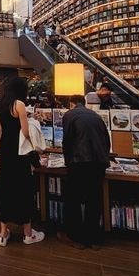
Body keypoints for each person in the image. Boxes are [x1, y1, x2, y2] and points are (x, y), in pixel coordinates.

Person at [0, 77, 44, 247]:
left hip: (5, 148)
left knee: (6, 185)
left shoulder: (0, 104)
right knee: (23, 187)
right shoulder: (20, 105)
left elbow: (2, 128)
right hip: (19, 150)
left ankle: (3, 233)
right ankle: (28, 234)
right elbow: (24, 132)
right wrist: (31, 121)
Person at [59, 95, 110, 248]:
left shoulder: (69, 115)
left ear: (71, 103)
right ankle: (94, 237)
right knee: (94, 198)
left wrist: (68, 161)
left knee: (73, 198)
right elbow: (106, 139)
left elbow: (67, 140)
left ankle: (76, 237)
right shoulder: (95, 115)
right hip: (99, 161)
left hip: (79, 161)